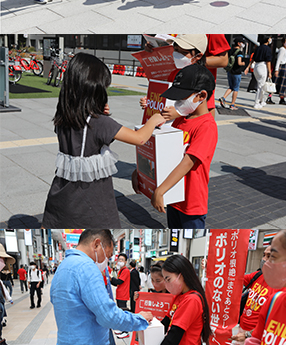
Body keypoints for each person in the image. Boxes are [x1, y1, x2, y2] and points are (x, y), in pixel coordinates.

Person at [42, 53, 166, 226]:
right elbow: (139, 138)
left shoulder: (63, 116)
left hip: (62, 196)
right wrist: (154, 119)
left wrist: (97, 112)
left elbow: (90, 141)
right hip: (91, 201)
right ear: (94, 89)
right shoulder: (100, 123)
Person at [51, 229, 153, 345]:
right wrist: (140, 319)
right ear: (96, 244)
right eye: (108, 254)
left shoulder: (64, 266)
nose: (108, 260)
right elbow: (109, 315)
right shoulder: (86, 268)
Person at [150, 64, 219, 228]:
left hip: (191, 203)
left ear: (201, 95)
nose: (178, 103)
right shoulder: (182, 119)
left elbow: (188, 161)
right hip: (174, 196)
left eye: (182, 98)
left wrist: (160, 190)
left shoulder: (207, 127)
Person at [219, 242, 273, 345]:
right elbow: (237, 279)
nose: (265, 259)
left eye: (270, 256)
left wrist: (248, 335)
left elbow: (273, 319)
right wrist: (215, 266)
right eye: (264, 255)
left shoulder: (281, 286)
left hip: (258, 336)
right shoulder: (258, 275)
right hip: (242, 330)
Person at [220, 38, 248, 109]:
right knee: (236, 89)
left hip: (230, 71)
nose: (243, 44)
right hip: (237, 72)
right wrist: (244, 63)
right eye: (242, 42)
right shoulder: (239, 52)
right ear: (238, 43)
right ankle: (232, 104)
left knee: (231, 87)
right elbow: (239, 62)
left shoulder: (230, 51)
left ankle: (223, 98)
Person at [249, 37, 273, 109]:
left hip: (256, 66)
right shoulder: (268, 49)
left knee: (261, 84)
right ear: (267, 40)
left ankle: (262, 101)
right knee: (260, 86)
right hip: (263, 66)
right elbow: (268, 61)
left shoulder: (258, 48)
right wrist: (269, 72)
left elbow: (253, 59)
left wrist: (248, 67)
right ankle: (256, 102)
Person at [273, 37, 286, 105]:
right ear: (283, 42)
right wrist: (276, 70)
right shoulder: (282, 49)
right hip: (281, 67)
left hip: (284, 67)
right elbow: (279, 59)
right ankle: (269, 97)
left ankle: (282, 99)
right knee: (277, 83)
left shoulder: (284, 50)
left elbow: (285, 59)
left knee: (281, 84)